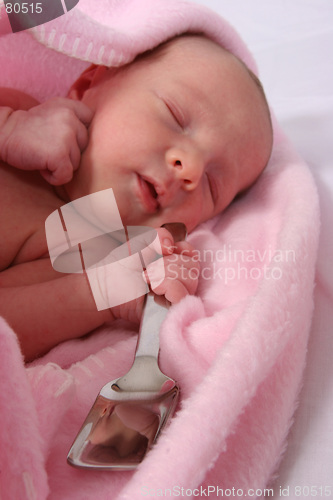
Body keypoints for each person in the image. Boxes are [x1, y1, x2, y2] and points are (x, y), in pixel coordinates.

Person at [0, 34, 273, 362]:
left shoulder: (81, 249)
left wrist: (103, 291)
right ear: (91, 83)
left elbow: (8, 327)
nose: (191, 169)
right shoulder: (21, 112)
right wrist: (8, 127)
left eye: (212, 186)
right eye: (176, 116)